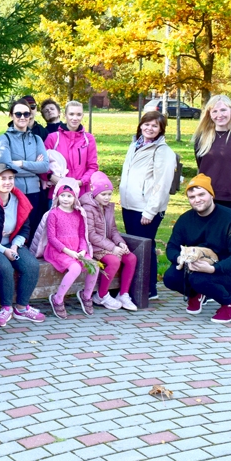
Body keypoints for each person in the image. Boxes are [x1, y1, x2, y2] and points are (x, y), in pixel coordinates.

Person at [163, 174, 231, 324]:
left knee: (199, 279)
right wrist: (180, 259)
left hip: (229, 269)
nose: (197, 199)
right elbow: (172, 246)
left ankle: (230, 302)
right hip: (195, 264)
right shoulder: (185, 219)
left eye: (201, 194)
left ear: (211, 195)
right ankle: (196, 294)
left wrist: (213, 269)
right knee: (170, 278)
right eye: (192, 196)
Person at [0, 164, 45, 327]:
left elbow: (25, 227)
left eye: (11, 178)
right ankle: (6, 308)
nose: (7, 182)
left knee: (31, 265)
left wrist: (14, 246)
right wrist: (3, 250)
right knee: (5, 266)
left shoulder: (19, 199)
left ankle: (22, 308)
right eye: (3, 178)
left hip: (12, 244)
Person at [119, 111, 176, 300]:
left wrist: (150, 211)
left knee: (145, 247)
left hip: (146, 209)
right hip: (130, 205)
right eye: (146, 124)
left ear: (161, 129)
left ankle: (149, 289)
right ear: (141, 125)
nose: (149, 128)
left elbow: (162, 184)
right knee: (135, 247)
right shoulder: (135, 144)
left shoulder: (163, 151)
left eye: (154, 126)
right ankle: (136, 285)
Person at [35, 178, 98, 320]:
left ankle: (86, 296)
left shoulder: (79, 214)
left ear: (75, 197)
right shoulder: (54, 214)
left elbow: (82, 235)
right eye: (62, 195)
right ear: (57, 196)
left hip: (77, 249)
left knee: (94, 265)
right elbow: (52, 238)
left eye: (69, 196)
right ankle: (57, 299)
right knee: (75, 268)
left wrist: (82, 250)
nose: (65, 199)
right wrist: (69, 252)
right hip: (58, 251)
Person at [80, 172, 138, 312]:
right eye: (103, 194)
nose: (107, 197)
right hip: (94, 246)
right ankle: (101, 295)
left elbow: (113, 230)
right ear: (95, 192)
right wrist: (113, 248)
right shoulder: (88, 207)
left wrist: (120, 243)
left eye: (109, 194)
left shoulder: (108, 207)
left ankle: (123, 294)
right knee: (114, 261)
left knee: (131, 258)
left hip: (108, 244)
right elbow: (91, 235)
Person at [0, 98, 49, 237]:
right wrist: (33, 167)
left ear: (30, 115)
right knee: (16, 230)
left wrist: (21, 163)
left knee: (32, 231)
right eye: (18, 114)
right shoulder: (5, 138)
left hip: (34, 192)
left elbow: (45, 166)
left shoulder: (37, 139)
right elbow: (6, 167)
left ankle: (30, 258)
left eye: (26, 114)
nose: (22, 117)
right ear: (11, 115)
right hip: (14, 191)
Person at [43, 100, 99, 196]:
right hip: (58, 194)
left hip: (81, 193)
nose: (75, 118)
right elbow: (42, 164)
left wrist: (81, 182)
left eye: (78, 114)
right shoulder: (53, 138)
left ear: (82, 116)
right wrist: (50, 176)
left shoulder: (89, 139)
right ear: (65, 115)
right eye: (71, 114)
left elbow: (92, 166)